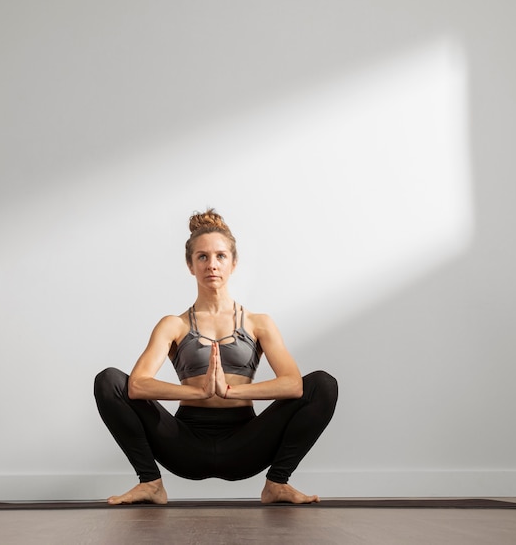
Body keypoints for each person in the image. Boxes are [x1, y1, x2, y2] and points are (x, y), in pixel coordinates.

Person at [94, 209, 338, 504]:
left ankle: (277, 483)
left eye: (221, 256)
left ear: (234, 263)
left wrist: (229, 391)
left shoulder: (259, 323)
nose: (212, 265)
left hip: (246, 446)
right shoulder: (174, 325)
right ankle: (150, 482)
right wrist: (197, 392)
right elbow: (137, 385)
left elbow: (293, 385)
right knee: (108, 381)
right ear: (190, 265)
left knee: (322, 384)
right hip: (183, 445)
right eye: (202, 257)